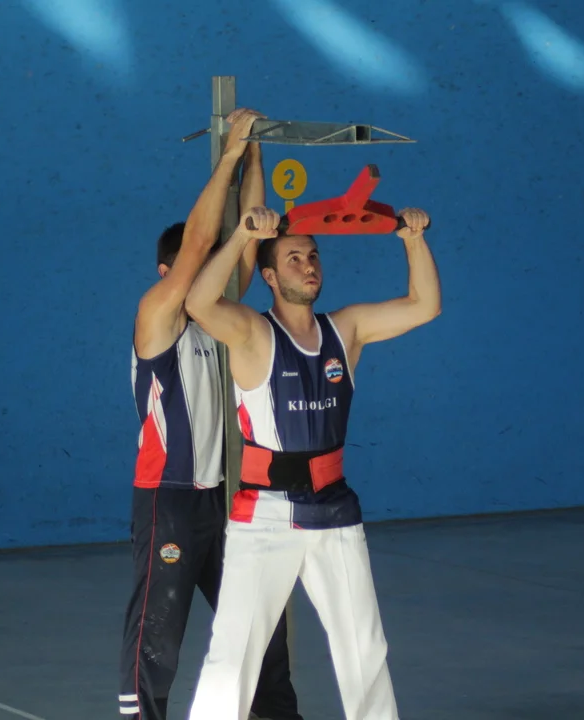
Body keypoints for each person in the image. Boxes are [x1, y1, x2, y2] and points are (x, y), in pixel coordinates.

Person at [182, 205, 441, 719]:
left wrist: (413, 239)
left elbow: (424, 305)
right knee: (234, 653)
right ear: (270, 277)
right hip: (264, 516)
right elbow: (198, 303)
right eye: (294, 258)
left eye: (313, 256)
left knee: (364, 648)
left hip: (335, 512)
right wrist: (243, 237)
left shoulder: (347, 329)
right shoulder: (252, 332)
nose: (308, 266)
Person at [118, 109, 302, 720]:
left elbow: (243, 243)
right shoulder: (157, 316)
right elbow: (202, 244)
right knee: (160, 632)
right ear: (165, 276)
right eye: (189, 272)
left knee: (259, 620)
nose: (206, 278)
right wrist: (228, 155)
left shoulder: (218, 315)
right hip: (168, 497)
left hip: (225, 497)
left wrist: (255, 154)